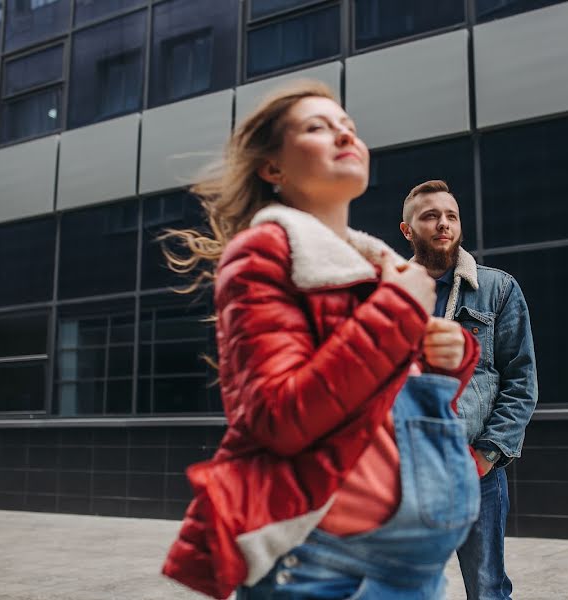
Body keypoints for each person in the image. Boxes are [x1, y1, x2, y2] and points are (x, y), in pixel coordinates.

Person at [160, 82, 483, 599]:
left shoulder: (379, 268)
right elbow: (278, 416)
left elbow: (385, 395)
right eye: (317, 127)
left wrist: (450, 358)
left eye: (349, 128)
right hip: (322, 564)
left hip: (414, 568)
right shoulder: (262, 254)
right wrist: (398, 311)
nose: (343, 135)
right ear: (273, 168)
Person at [400, 180, 538, 600]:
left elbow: (522, 381)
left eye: (451, 216)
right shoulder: (388, 295)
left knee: (487, 588)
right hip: (406, 474)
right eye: (430, 216)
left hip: (475, 471)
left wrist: (487, 454)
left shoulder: (497, 289)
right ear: (407, 230)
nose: (443, 224)